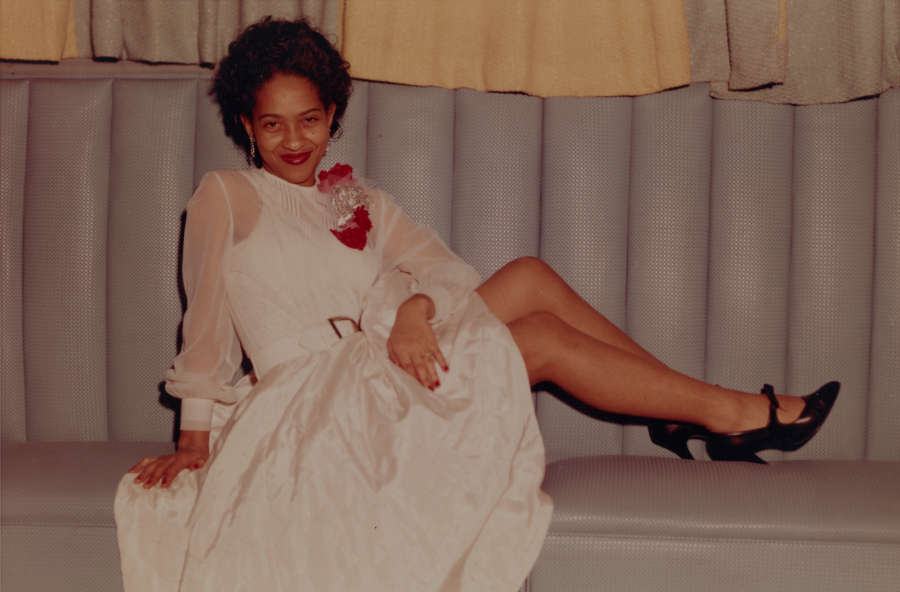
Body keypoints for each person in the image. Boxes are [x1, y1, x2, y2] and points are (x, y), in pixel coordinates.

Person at [115, 17, 839, 592]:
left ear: (332, 113)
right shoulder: (226, 196)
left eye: (309, 119)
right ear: (246, 124)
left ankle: (688, 413)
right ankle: (726, 414)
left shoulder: (353, 198)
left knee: (525, 275)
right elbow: (204, 319)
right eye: (272, 124)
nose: (293, 140)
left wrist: (413, 311)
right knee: (544, 340)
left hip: (375, 370)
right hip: (307, 406)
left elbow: (444, 270)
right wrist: (194, 438)